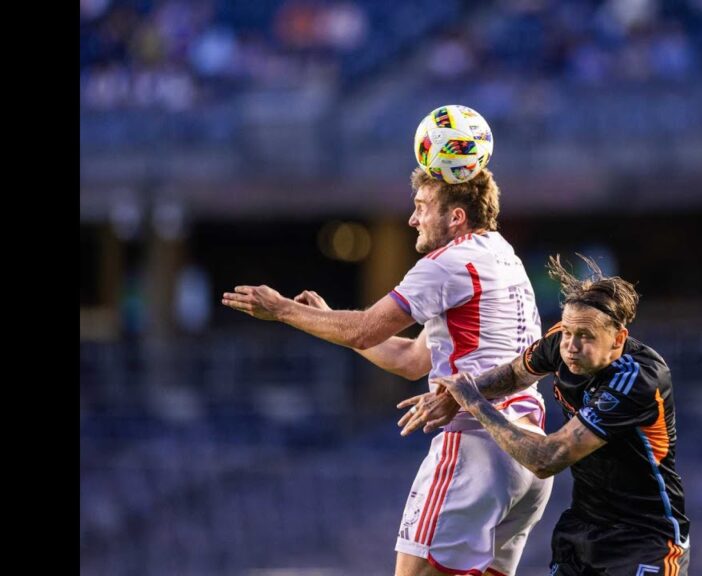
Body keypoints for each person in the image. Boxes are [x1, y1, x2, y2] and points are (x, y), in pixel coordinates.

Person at [222, 167, 553, 576]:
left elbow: (363, 331)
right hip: (526, 454)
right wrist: (324, 320)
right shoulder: (503, 256)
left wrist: (282, 310)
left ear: (456, 217)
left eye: (421, 207)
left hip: (476, 446)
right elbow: (412, 359)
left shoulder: (447, 263)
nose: (413, 219)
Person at [399, 255, 690, 576]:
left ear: (618, 339)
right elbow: (513, 375)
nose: (571, 346)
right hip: (581, 530)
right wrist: (460, 394)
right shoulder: (562, 341)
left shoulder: (636, 380)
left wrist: (475, 403)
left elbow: (546, 458)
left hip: (643, 537)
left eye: (586, 337)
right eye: (567, 333)